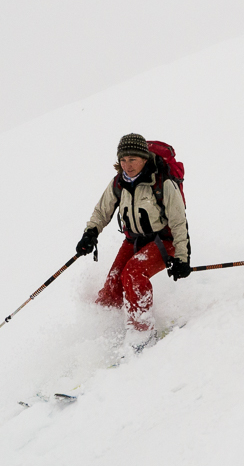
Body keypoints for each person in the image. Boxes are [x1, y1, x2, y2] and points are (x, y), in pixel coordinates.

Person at [76, 133, 191, 354]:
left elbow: (179, 223)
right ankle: (107, 330)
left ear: (145, 158)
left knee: (133, 273)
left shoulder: (163, 183)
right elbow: (102, 211)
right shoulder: (119, 182)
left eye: (133, 160)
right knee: (112, 286)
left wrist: (182, 259)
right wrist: (90, 233)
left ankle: (142, 332)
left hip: (165, 241)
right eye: (123, 160)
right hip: (134, 240)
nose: (127, 166)